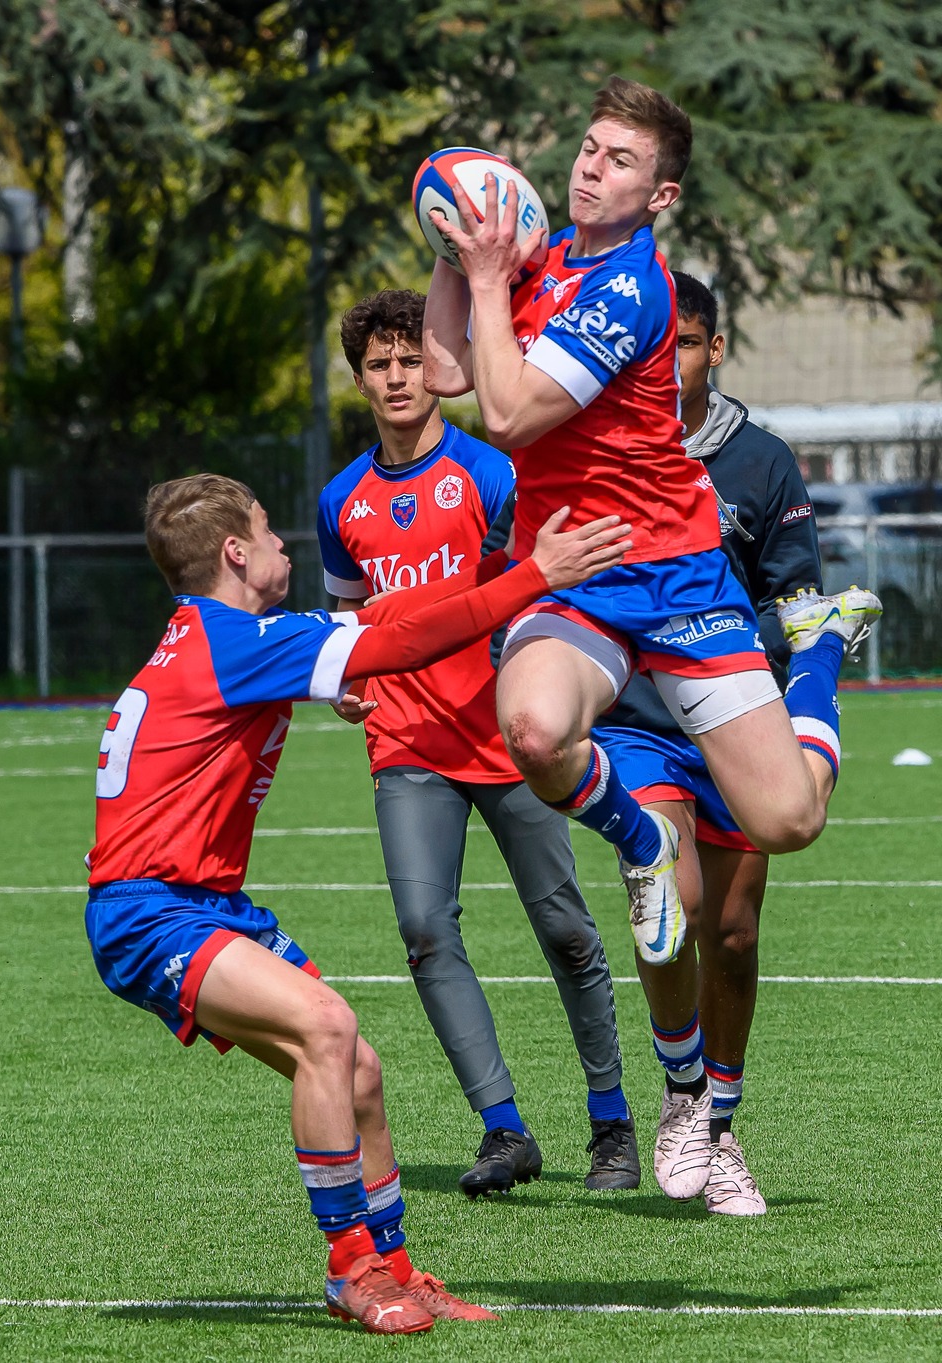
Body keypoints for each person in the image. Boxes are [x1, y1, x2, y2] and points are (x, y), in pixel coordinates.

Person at [84, 473, 627, 1332]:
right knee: (328, 1031)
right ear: (234, 552)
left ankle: (400, 1268)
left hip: (203, 903)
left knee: (358, 1068)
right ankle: (350, 1269)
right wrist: (533, 575)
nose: (283, 545)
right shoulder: (231, 641)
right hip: (152, 912)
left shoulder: (223, 638)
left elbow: (363, 630)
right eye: (267, 531)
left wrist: (314, 680)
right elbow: (404, 638)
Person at [422, 76, 879, 968]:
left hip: (674, 574)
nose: (591, 169)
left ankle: (820, 648)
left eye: (620, 161)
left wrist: (484, 275)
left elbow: (509, 417)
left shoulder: (630, 288)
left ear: (659, 196)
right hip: (577, 571)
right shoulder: (538, 259)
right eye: (590, 148)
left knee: (788, 820)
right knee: (537, 731)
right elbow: (448, 370)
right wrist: (452, 246)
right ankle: (641, 843)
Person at [316, 289, 638, 1197]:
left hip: (507, 739)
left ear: (438, 372)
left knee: (565, 928)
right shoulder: (341, 497)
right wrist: (347, 679)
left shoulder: (493, 474)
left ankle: (611, 1122)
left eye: (411, 359)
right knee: (424, 930)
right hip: (406, 745)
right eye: (379, 364)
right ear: (359, 380)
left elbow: (543, 587)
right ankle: (503, 1128)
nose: (396, 377)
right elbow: (350, 620)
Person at [591, 272, 842, 1213]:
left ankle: (721, 1128)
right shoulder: (607, 451)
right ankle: (682, 1089)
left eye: (686, 346)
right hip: (641, 723)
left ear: (715, 349)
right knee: (666, 894)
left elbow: (796, 595)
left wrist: (793, 649)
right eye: (656, 349)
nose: (669, 365)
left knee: (732, 932)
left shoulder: (761, 461)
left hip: (738, 717)